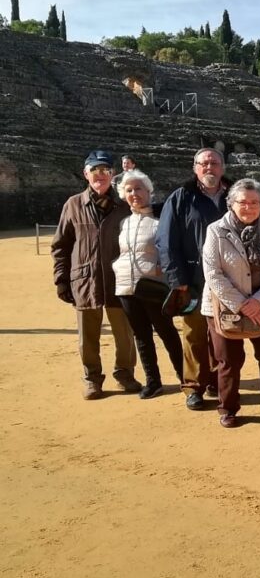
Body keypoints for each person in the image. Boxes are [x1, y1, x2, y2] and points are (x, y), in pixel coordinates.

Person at [201, 179, 260, 429]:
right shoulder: (215, 230)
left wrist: (258, 302)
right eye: (243, 202)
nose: (249, 207)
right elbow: (213, 274)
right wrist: (242, 305)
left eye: (254, 203)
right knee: (229, 361)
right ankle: (228, 409)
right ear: (231, 204)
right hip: (224, 307)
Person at [52, 150, 139, 400]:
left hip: (119, 279)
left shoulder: (125, 205)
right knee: (87, 336)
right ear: (85, 174)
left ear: (112, 174)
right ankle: (92, 378)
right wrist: (61, 280)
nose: (100, 175)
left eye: (105, 170)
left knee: (124, 333)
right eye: (95, 170)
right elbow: (61, 246)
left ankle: (125, 374)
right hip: (85, 279)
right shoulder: (73, 204)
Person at [157, 148, 230, 410]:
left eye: (214, 163)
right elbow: (166, 240)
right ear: (195, 167)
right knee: (194, 333)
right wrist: (177, 278)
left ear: (222, 167)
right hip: (194, 279)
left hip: (229, 279)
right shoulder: (181, 197)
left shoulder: (235, 195)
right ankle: (194, 386)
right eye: (204, 163)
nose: (209, 167)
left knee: (224, 333)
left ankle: (217, 381)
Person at [113, 170, 184, 399]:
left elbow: (172, 247)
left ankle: (186, 377)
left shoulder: (161, 219)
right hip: (126, 286)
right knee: (141, 336)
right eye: (129, 190)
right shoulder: (124, 222)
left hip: (153, 285)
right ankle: (153, 381)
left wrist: (163, 267)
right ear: (123, 194)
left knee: (167, 333)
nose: (134, 193)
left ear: (148, 191)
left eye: (139, 188)